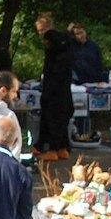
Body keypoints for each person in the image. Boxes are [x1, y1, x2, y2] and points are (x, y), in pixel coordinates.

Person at [34, 12, 75, 156]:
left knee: (52, 119)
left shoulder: (53, 46)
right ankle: (63, 148)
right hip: (64, 90)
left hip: (53, 91)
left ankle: (52, 149)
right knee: (61, 119)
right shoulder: (66, 43)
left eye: (42, 31)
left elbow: (51, 71)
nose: (41, 35)